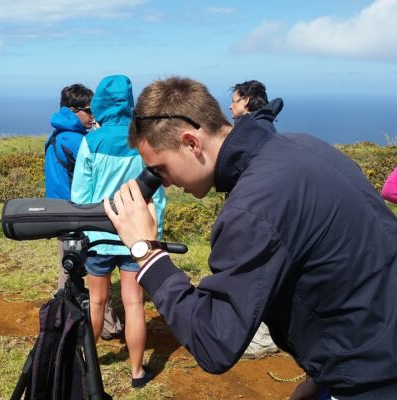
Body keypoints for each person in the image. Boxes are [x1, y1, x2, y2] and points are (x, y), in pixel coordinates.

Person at [104, 76, 397, 399]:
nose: (166, 184)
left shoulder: (253, 207)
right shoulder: (304, 146)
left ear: (191, 143)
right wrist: (323, 377)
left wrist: (148, 254)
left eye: (160, 170)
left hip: (372, 380)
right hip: (374, 354)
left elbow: (214, 341)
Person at [71, 75, 166, 388]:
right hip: (135, 237)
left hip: (98, 237)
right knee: (134, 303)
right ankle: (137, 372)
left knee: (96, 303)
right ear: (130, 101)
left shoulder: (91, 141)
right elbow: (157, 196)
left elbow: (80, 199)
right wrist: (154, 235)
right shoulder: (143, 140)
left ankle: (88, 367)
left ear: (99, 102)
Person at [44, 83, 123, 340]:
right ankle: (107, 326)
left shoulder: (57, 135)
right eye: (89, 111)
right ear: (73, 110)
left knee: (68, 268)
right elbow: (100, 170)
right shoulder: (77, 140)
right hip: (76, 214)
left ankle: (64, 319)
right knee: (93, 269)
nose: (93, 116)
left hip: (58, 212)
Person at [230, 79, 283, 359]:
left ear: (248, 101)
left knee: (254, 271)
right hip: (265, 211)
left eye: (236, 100)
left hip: (255, 212)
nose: (231, 105)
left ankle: (261, 338)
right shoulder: (266, 126)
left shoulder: (250, 131)